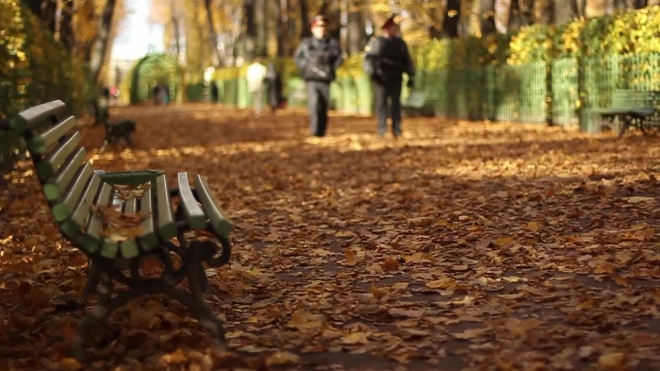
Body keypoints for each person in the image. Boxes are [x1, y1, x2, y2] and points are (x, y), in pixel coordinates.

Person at [363, 14, 415, 138]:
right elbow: (369, 59)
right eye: (392, 27)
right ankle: (382, 129)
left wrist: (411, 75)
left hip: (396, 77)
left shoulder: (400, 43)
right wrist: (372, 72)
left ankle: (397, 130)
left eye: (395, 27)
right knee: (381, 104)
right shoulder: (377, 43)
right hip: (381, 79)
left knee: (396, 104)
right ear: (386, 29)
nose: (394, 30)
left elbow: (407, 60)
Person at [294, 15, 343, 137]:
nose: (321, 29)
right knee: (314, 103)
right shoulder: (306, 43)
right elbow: (297, 58)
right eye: (318, 27)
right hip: (311, 79)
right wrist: (306, 67)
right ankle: (315, 130)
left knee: (323, 104)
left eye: (323, 26)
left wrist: (331, 68)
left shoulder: (332, 43)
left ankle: (322, 130)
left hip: (325, 79)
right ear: (313, 28)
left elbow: (339, 58)